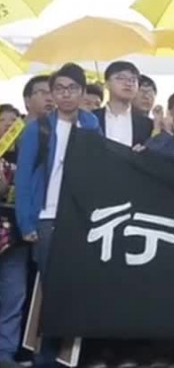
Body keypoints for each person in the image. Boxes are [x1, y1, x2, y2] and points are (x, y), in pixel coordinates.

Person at [14, 64, 101, 368]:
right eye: (60, 89)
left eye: (72, 88)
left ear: (82, 92)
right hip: (47, 217)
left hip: (79, 218)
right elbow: (24, 178)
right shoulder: (39, 128)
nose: (66, 94)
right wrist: (26, 221)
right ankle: (45, 355)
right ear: (52, 93)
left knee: (76, 286)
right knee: (50, 288)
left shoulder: (91, 124)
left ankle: (69, 355)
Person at [0, 105, 24, 368]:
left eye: (13, 120)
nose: (8, 124)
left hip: (15, 235)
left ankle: (5, 351)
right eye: (2, 119)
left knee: (13, 295)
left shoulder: (26, 154)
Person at [93, 62, 153, 148]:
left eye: (133, 80)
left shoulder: (147, 124)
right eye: (121, 78)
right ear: (106, 84)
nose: (128, 83)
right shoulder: (91, 118)